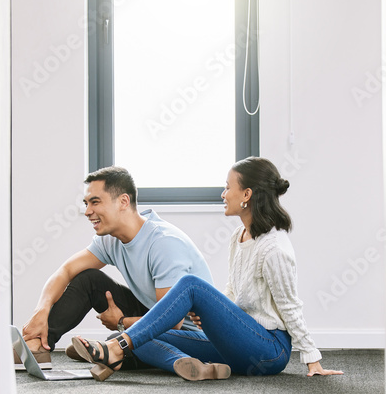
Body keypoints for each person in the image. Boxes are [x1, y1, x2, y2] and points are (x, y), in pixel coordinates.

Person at [73, 157, 342, 381]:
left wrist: (311, 358)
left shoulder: (274, 248)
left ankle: (115, 350)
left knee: (188, 286)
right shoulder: (240, 235)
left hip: (269, 350)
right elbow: (233, 294)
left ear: (246, 195)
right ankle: (188, 365)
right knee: (145, 333)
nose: (223, 194)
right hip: (238, 341)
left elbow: (290, 305)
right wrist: (212, 314)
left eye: (228, 188)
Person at [18, 166, 213, 369]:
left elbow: (173, 322)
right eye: (86, 203)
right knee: (89, 279)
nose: (87, 212)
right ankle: (40, 345)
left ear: (123, 201)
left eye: (95, 202)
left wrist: (122, 322)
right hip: (157, 315)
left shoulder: (163, 243)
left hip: (191, 334)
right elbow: (66, 271)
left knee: (119, 338)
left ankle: (107, 350)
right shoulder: (110, 240)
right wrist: (41, 310)